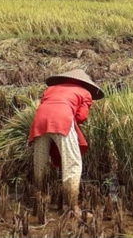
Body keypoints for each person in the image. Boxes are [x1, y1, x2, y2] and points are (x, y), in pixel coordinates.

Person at [28, 69, 104, 217]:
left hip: (39, 122)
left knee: (40, 162)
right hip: (61, 121)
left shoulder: (50, 89)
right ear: (85, 83)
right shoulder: (85, 92)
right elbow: (81, 117)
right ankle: (72, 207)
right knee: (73, 164)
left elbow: (44, 106)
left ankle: (40, 198)